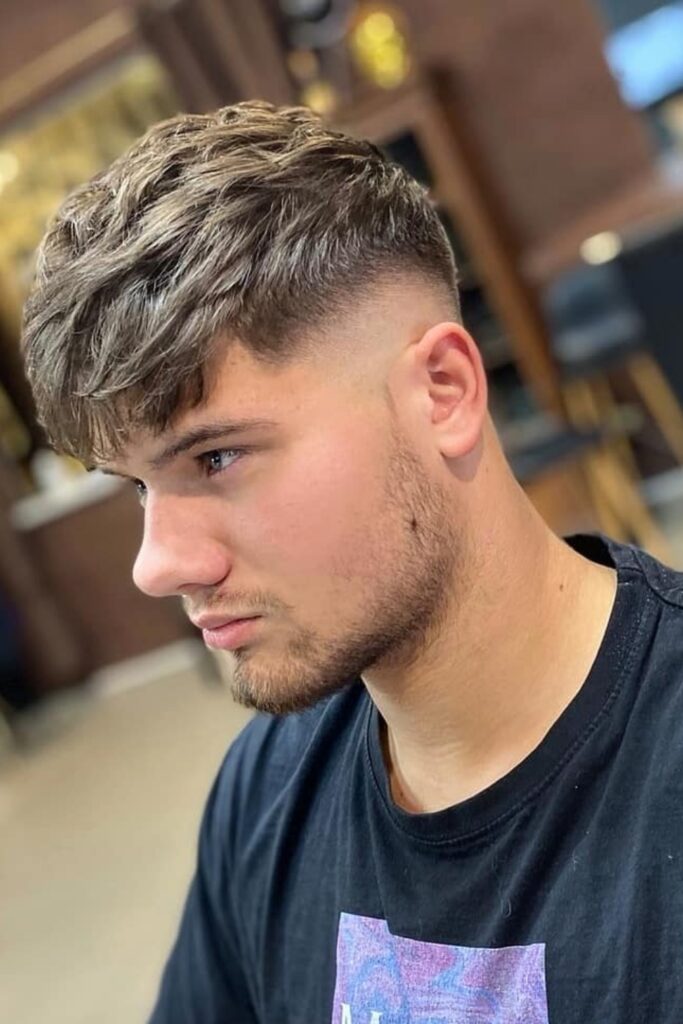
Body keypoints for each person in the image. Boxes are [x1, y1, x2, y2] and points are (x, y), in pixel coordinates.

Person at [21, 101, 683, 1023]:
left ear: (442, 392)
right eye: (137, 486)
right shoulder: (266, 790)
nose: (158, 565)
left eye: (217, 457)